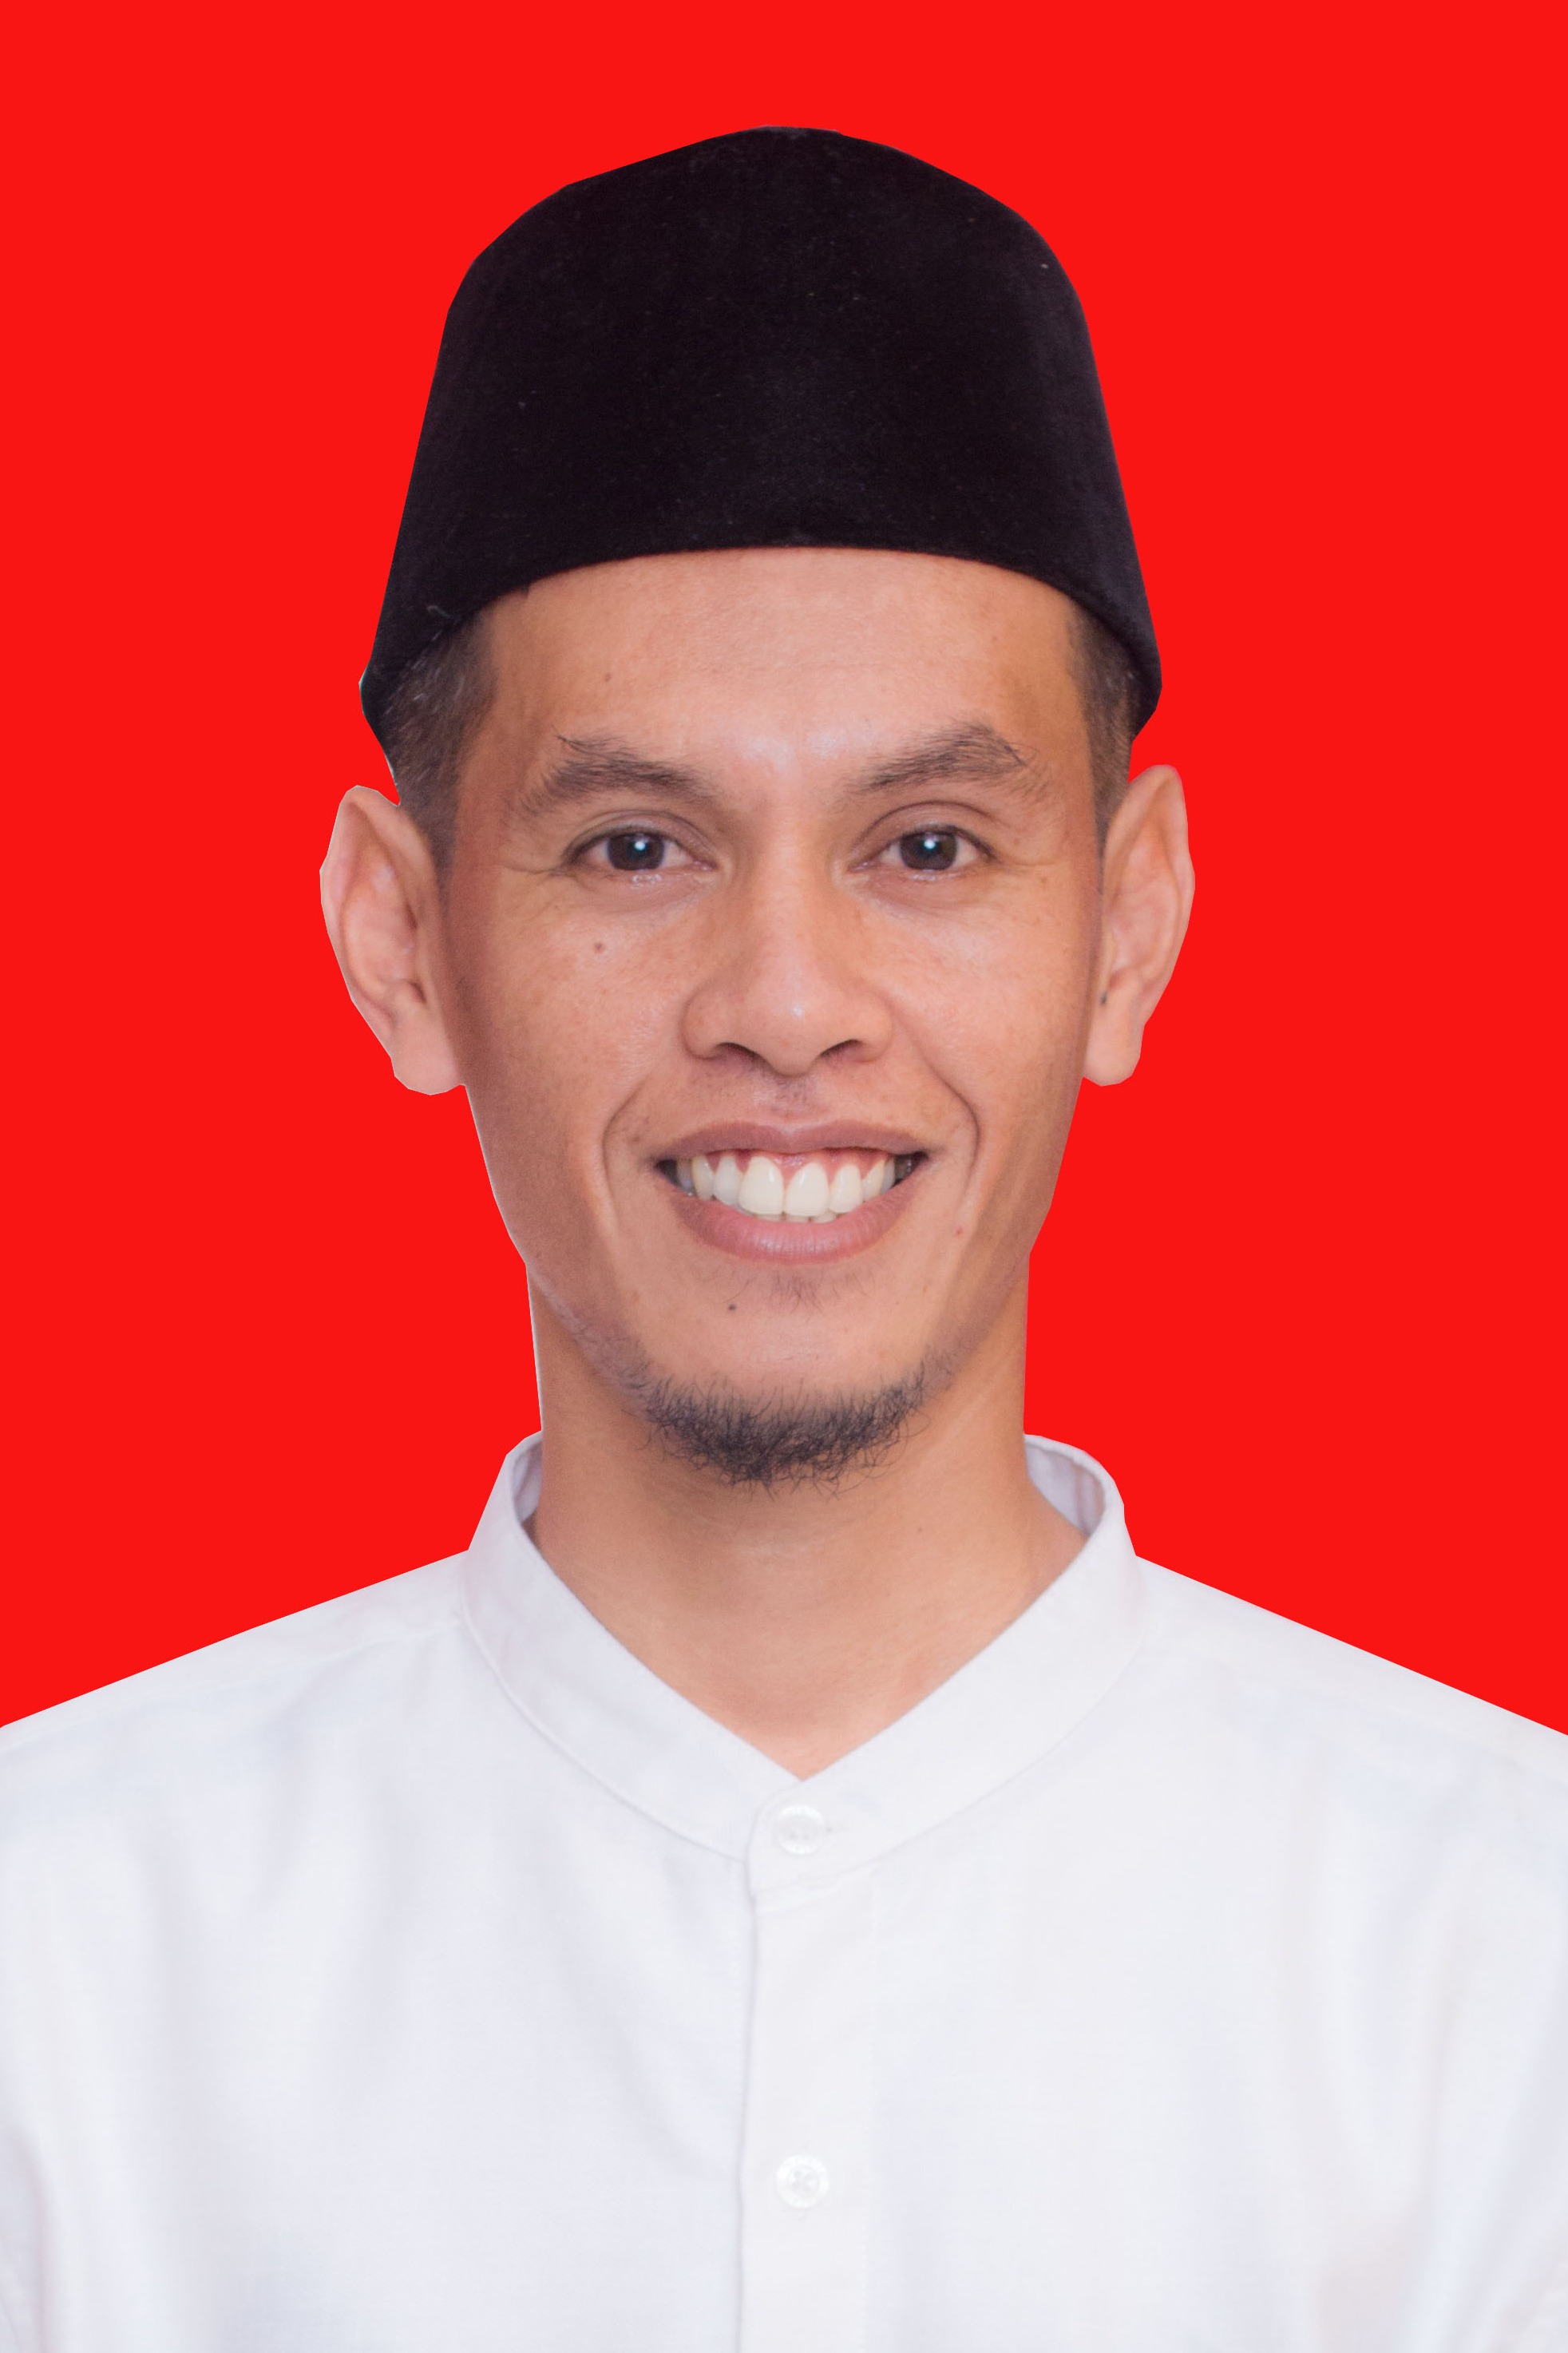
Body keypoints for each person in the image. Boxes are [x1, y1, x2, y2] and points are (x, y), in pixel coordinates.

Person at [1, 126, 1564, 2353]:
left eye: (927, 845)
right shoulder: (58, 1980)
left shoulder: (1501, 1977)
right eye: (634, 846)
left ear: (1127, 929)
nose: (788, 1004)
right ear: (401, 942)